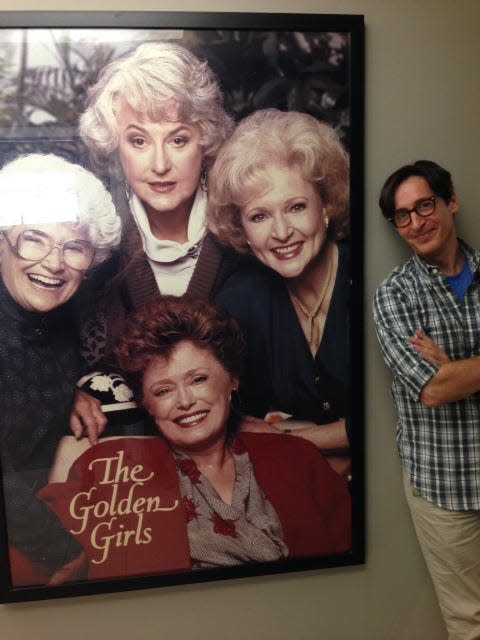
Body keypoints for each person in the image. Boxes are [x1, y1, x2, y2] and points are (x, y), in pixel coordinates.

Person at [36, 296, 351, 579]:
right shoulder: (110, 468)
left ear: (232, 380)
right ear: (147, 403)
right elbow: (32, 554)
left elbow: (352, 567)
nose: (184, 401)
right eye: (163, 390)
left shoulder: (295, 455)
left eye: (198, 379)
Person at [74, 41, 239, 443]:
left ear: (206, 140)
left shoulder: (246, 236)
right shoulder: (91, 244)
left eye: (178, 140)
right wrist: (67, 391)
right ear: (116, 147)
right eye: (139, 141)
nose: (160, 164)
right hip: (129, 472)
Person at [0, 153, 122, 587]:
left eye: (74, 247)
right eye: (34, 239)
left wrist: (67, 391)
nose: (54, 263)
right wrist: (64, 553)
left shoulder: (54, 316)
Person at [208, 108, 351, 477]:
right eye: (260, 216)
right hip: (302, 485)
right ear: (241, 227)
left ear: (327, 207)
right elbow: (236, 422)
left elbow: (399, 413)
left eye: (296, 207)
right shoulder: (239, 301)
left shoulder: (373, 280)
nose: (282, 232)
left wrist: (300, 437)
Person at [373, 160, 480, 639]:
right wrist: (447, 375)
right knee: (469, 620)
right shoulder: (394, 296)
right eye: (402, 216)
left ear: (450, 201)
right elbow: (434, 391)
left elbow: (448, 380)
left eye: (425, 205)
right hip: (446, 484)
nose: (416, 223)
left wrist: (457, 367)